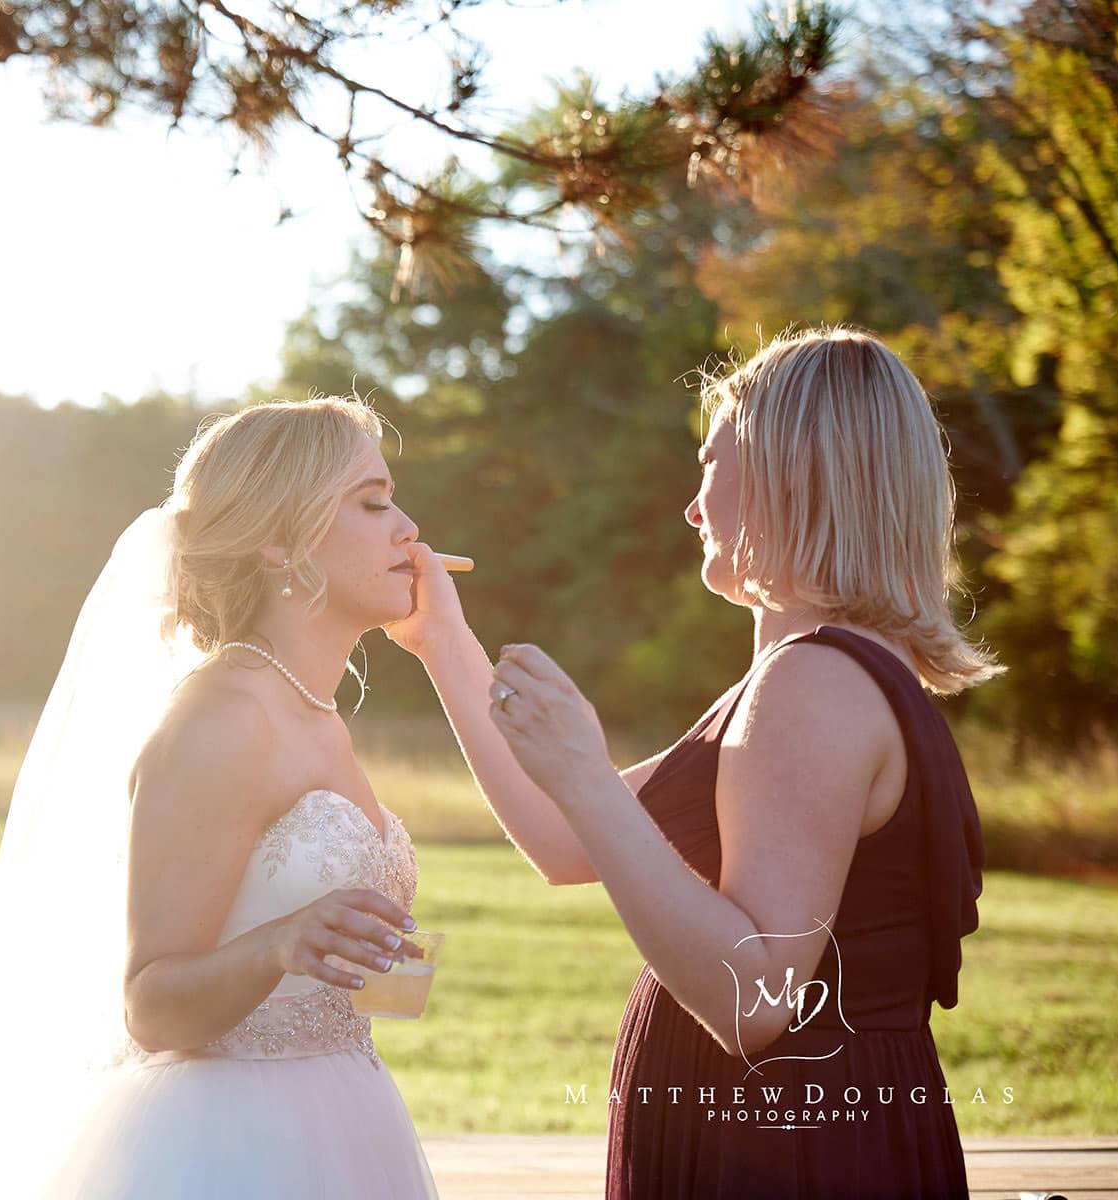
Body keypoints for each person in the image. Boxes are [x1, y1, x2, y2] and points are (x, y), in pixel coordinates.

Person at [386, 327, 1003, 1199]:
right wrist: (442, 638)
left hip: (785, 1153)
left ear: (795, 473)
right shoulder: (809, 675)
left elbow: (754, 1000)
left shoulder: (815, 685)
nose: (692, 506)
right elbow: (567, 841)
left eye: (714, 463)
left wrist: (588, 774)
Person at [0, 395, 441, 1198]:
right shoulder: (223, 720)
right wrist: (281, 943)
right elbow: (150, 1005)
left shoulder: (313, 712)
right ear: (278, 542)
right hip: (226, 1146)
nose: (408, 528)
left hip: (346, 1122)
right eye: (373, 503)